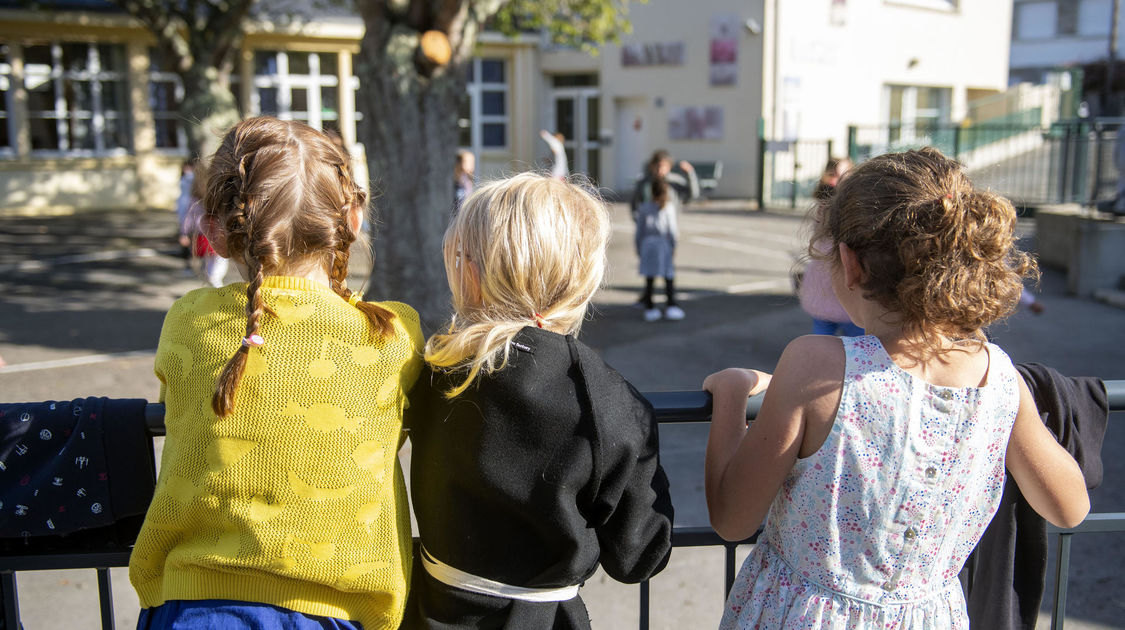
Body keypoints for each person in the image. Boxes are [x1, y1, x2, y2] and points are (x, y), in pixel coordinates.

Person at [703, 147, 1089, 629]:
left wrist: (733, 393)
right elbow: (1070, 507)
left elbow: (732, 519)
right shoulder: (999, 377)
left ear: (851, 263)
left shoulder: (815, 366)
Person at [128, 116, 424, 630]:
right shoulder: (396, 335)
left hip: (193, 605)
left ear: (214, 234)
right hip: (336, 610)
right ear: (352, 219)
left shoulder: (188, 321)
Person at [404, 173, 674, 630]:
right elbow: (639, 556)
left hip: (432, 609)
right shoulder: (608, 401)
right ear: (583, 273)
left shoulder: (431, 370)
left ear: (470, 271)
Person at [630, 150, 698, 320]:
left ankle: (664, 302)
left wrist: (690, 174)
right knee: (651, 271)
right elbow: (634, 203)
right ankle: (648, 299)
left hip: (664, 237)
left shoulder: (673, 184)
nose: (660, 170)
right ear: (652, 166)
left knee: (665, 270)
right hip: (651, 237)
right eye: (658, 166)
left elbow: (692, 194)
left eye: (664, 167)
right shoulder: (644, 183)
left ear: (668, 167)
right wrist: (639, 222)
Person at [799, 156, 863, 336]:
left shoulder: (856, 205)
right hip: (826, 281)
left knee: (859, 340)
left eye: (843, 175)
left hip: (845, 286)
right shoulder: (825, 206)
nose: (837, 180)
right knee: (821, 339)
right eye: (834, 175)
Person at [634, 177, 683, 322]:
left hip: (648, 246)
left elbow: (639, 232)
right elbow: (672, 231)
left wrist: (638, 248)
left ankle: (649, 306)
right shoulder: (669, 208)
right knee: (668, 276)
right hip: (663, 245)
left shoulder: (643, 208)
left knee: (650, 277)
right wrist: (674, 246)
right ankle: (671, 304)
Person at [175, 159, 196, 276]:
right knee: (185, 240)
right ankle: (189, 264)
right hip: (184, 211)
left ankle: (192, 264)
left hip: (190, 211)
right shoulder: (185, 178)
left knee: (191, 239)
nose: (186, 170)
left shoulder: (190, 178)